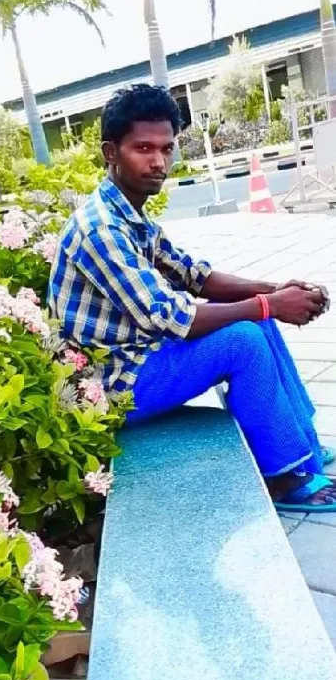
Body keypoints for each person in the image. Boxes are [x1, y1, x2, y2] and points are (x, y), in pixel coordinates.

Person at [49, 83, 335, 513]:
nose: (158, 161)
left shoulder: (129, 214)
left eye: (167, 148)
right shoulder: (101, 229)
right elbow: (170, 317)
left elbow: (194, 276)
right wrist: (270, 304)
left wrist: (275, 291)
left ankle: (302, 446)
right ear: (111, 152)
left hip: (140, 356)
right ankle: (281, 477)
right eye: (143, 148)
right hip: (111, 386)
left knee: (255, 318)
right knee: (243, 339)